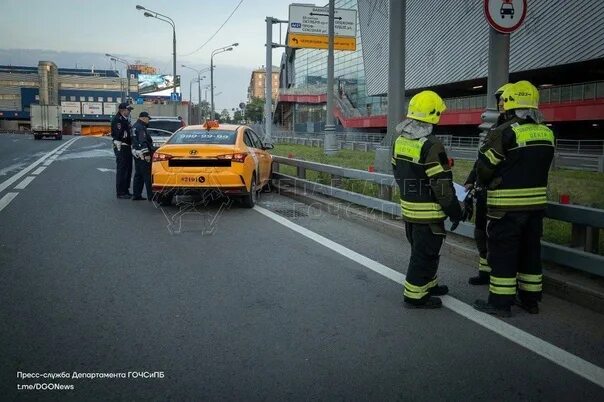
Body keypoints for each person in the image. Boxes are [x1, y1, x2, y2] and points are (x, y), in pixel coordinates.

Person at [473, 81, 555, 317]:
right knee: (530, 253)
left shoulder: (504, 132)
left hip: (506, 208)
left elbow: (484, 169)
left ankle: (500, 303)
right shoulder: (547, 132)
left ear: (509, 106)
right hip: (536, 207)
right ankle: (530, 300)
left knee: (503, 254)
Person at [392, 90, 467, 309]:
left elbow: (397, 171)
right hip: (429, 212)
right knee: (423, 254)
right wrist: (455, 210)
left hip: (410, 209)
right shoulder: (432, 145)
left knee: (425, 250)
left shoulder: (400, 140)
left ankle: (429, 284)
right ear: (433, 116)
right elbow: (442, 186)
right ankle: (415, 295)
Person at [465, 83, 512, 285]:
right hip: (485, 191)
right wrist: (470, 179)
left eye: (504, 99)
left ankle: (500, 275)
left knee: (496, 236)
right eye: (499, 99)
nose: (501, 103)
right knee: (480, 231)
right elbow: (482, 159)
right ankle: (485, 271)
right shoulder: (495, 128)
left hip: (501, 194)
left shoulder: (511, 131)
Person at [131, 112, 156, 201]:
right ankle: (151, 195)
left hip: (136, 153)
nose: (148, 120)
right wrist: (146, 155)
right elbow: (143, 142)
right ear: (144, 118)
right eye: (148, 119)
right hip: (142, 153)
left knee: (138, 174)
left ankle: (136, 194)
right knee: (147, 175)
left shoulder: (135, 126)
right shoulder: (141, 128)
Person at [111, 103, 134, 199]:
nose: (129, 111)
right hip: (121, 146)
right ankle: (120, 192)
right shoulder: (118, 120)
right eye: (128, 110)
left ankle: (126, 190)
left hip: (127, 146)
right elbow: (118, 134)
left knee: (128, 169)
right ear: (122, 110)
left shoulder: (125, 119)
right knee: (122, 169)